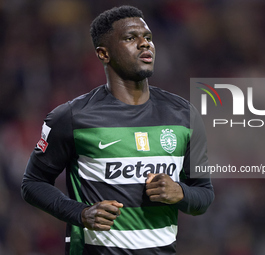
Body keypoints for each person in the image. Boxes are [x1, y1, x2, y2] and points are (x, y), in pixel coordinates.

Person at [21, 5, 214, 255]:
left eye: (148, 38)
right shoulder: (72, 117)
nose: (145, 44)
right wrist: (80, 213)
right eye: (131, 38)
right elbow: (33, 183)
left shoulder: (183, 115)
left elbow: (204, 195)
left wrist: (180, 192)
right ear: (104, 54)